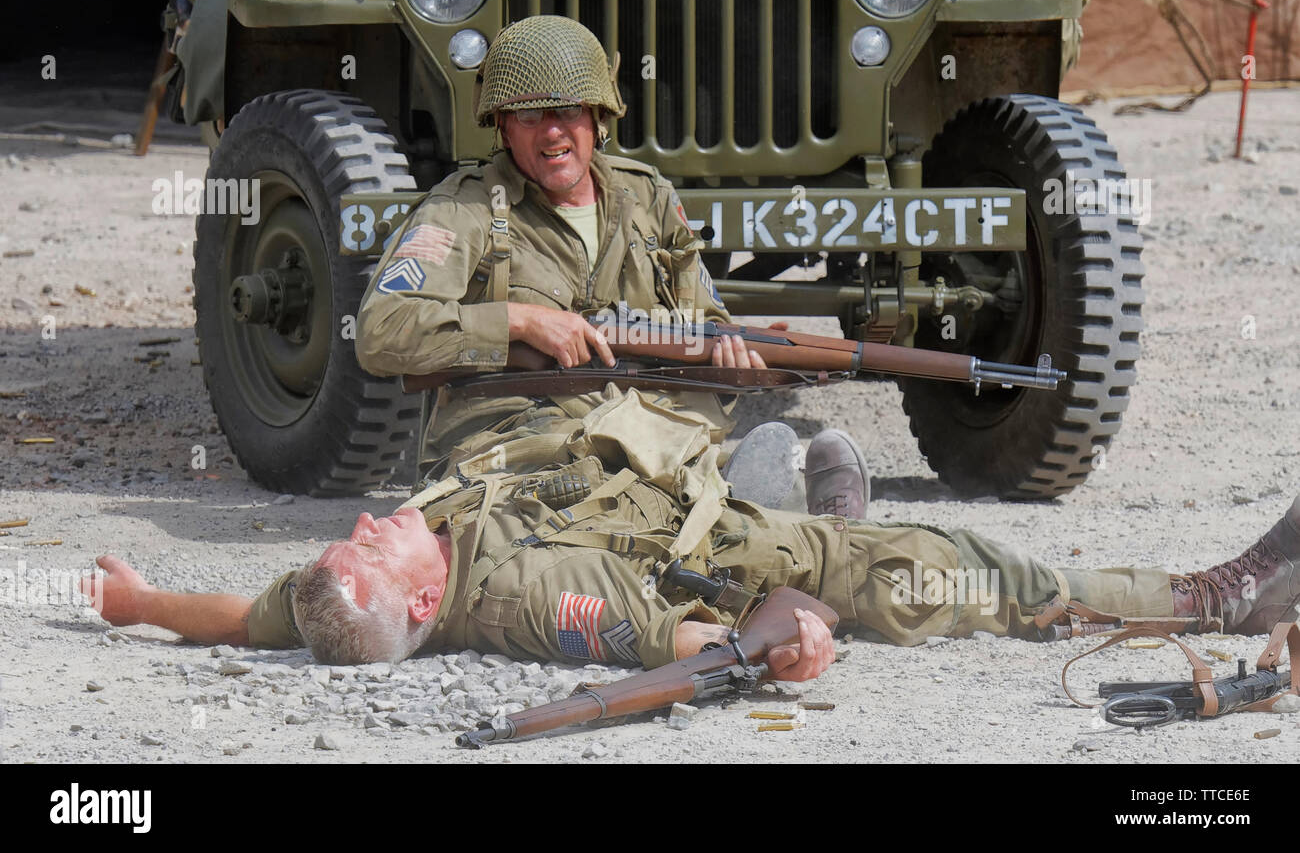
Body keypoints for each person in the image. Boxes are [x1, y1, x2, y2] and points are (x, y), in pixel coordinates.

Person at [80, 391, 1300, 682]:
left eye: (345, 540)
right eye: (369, 552)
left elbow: (250, 618)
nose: (362, 523)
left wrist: (139, 600)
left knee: (784, 457)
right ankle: (1216, 596)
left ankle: (827, 506)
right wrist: (788, 633)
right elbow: (703, 634)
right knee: (966, 573)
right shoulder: (534, 597)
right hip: (757, 560)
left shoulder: (340, 591)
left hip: (684, 494)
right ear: (415, 610)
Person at [352, 14, 868, 516]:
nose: (552, 133)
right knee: (591, 500)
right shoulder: (464, 209)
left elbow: (706, 324)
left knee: (655, 482)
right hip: (517, 437)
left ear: (598, 117)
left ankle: (780, 522)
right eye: (531, 116)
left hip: (650, 428)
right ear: (504, 127)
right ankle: (757, 511)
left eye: (568, 112)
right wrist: (520, 321)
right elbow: (382, 331)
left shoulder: (648, 197)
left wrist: (735, 357)